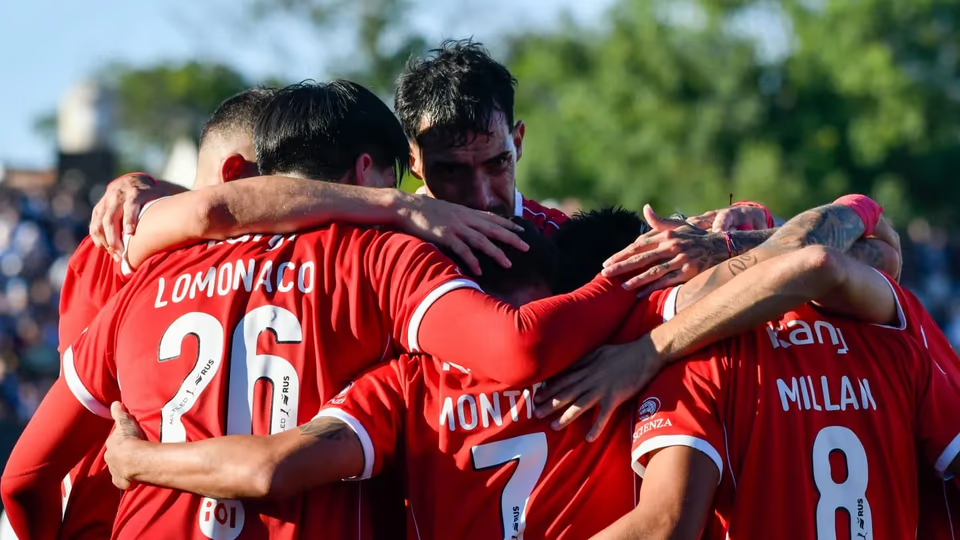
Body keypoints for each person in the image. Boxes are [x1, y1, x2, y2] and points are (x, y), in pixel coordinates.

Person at [0, 79, 641, 540]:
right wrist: (640, 277)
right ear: (372, 170)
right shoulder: (376, 259)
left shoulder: (138, 263)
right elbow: (516, 347)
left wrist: (137, 463)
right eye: (402, 184)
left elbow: (23, 478)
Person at [97, 196, 896, 539]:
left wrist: (136, 460)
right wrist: (734, 245)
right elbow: (835, 249)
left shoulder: (409, 381)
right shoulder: (629, 329)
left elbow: (274, 468)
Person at [596, 200, 960, 539]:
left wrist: (652, 349)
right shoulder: (889, 327)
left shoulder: (698, 360)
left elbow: (666, 524)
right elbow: (871, 249)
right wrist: (748, 241)